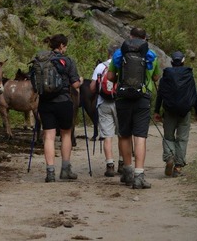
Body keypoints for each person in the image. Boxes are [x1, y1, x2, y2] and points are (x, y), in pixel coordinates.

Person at [107, 27, 160, 189]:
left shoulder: (119, 54)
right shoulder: (151, 55)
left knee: (124, 134)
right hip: (142, 98)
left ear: (130, 36)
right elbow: (156, 77)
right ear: (145, 38)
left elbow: (110, 77)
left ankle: (128, 171)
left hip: (122, 98)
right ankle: (139, 175)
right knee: (140, 136)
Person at [37, 34, 82, 182]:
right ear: (62, 45)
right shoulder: (67, 61)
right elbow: (75, 85)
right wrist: (80, 80)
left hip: (45, 102)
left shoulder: (41, 60)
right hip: (63, 101)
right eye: (66, 45)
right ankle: (65, 170)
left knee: (48, 136)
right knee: (66, 135)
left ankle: (50, 172)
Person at [154, 51, 197, 178]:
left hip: (169, 112)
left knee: (168, 137)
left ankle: (169, 158)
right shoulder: (189, 75)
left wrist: (156, 111)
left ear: (172, 62)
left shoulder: (166, 76)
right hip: (185, 112)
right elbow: (194, 94)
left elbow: (160, 95)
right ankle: (178, 167)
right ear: (183, 61)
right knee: (182, 138)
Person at [89, 43, 123, 177]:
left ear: (108, 53)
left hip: (104, 103)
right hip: (121, 103)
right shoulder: (122, 65)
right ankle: (122, 163)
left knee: (107, 136)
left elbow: (92, 88)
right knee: (123, 135)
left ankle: (110, 165)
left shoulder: (100, 66)